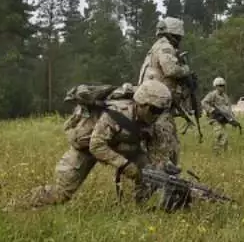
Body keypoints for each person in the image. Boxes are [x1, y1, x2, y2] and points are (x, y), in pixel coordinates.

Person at [88, 80, 175, 204]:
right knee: (62, 192)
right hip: (87, 145)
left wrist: (163, 171)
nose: (157, 115)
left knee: (149, 170)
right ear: (142, 104)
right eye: (154, 110)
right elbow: (96, 145)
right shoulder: (117, 114)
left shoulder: (157, 124)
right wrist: (124, 165)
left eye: (161, 111)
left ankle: (136, 204)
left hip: (125, 147)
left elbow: (158, 154)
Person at [137, 17, 190, 165]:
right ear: (174, 34)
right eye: (179, 37)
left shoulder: (155, 47)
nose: (179, 40)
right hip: (157, 106)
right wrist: (185, 70)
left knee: (166, 145)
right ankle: (163, 180)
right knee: (165, 146)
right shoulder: (165, 47)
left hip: (153, 103)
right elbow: (171, 69)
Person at [201, 76, 234, 153]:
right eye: (220, 86)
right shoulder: (212, 95)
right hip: (214, 118)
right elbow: (204, 102)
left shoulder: (225, 96)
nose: (222, 87)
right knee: (220, 134)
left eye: (223, 86)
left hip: (222, 119)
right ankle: (217, 151)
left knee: (224, 135)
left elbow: (228, 107)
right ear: (216, 86)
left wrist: (232, 118)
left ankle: (223, 151)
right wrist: (212, 110)